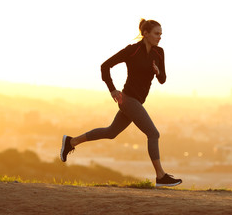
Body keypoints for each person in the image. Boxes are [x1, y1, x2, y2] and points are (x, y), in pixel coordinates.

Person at [60, 19, 182, 187]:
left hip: (137, 101)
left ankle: (71, 142)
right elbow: (105, 66)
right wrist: (112, 89)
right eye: (156, 34)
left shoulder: (159, 52)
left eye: (161, 34)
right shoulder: (132, 51)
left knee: (111, 132)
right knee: (153, 134)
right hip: (128, 99)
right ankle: (160, 176)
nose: (159, 37)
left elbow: (163, 80)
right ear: (145, 33)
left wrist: (158, 71)